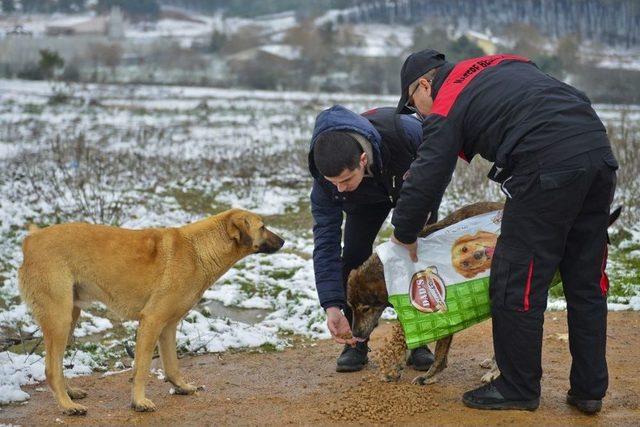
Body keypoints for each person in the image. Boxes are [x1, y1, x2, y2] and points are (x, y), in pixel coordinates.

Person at [390, 49, 618, 414]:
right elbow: (562, 98)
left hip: (546, 166)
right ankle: (589, 389)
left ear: (424, 84)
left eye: (413, 105)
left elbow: (431, 171)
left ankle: (518, 387)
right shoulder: (501, 64)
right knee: (586, 280)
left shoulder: (448, 98)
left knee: (516, 279)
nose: (419, 114)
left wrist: (403, 233)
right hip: (597, 154)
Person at [309, 105, 440, 372]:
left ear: (362, 160)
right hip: (364, 201)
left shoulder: (406, 134)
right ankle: (356, 342)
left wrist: (409, 228)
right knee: (354, 258)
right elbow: (326, 241)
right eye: (332, 182)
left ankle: (418, 339)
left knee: (417, 259)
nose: (339, 188)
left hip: (411, 187)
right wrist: (331, 304)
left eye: (344, 179)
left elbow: (440, 163)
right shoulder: (327, 182)